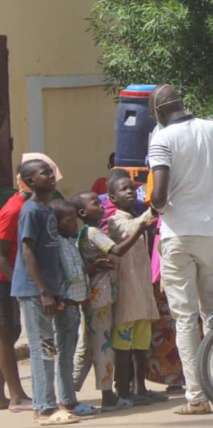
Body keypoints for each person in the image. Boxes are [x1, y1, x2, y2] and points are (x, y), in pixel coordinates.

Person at [147, 84, 213, 415]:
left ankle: (196, 397)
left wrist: (153, 206)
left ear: (158, 113)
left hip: (178, 235)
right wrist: (212, 187)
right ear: (182, 104)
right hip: (212, 236)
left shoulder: (162, 139)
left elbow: (160, 196)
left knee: (184, 318)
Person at [10, 160, 77, 426]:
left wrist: (55, 290)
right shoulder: (30, 211)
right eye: (44, 173)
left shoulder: (48, 210)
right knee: (42, 348)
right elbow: (28, 252)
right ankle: (44, 408)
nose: (51, 175)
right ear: (30, 180)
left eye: (51, 171)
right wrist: (43, 291)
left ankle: (49, 403)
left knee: (49, 348)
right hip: (33, 291)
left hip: (48, 290)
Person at [70, 191, 137, 412]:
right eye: (95, 203)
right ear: (82, 212)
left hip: (94, 294)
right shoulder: (93, 232)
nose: (101, 206)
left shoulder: (82, 233)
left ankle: (70, 390)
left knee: (89, 344)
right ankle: (108, 396)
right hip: (101, 295)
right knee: (103, 344)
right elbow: (116, 250)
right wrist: (140, 229)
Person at [107, 177, 163, 405]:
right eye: (124, 189)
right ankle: (123, 389)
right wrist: (153, 209)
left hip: (141, 289)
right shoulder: (115, 222)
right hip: (127, 293)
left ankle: (140, 387)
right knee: (123, 345)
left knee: (141, 344)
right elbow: (133, 228)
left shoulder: (134, 218)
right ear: (113, 198)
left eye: (132, 188)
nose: (130, 192)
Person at [47, 200, 98, 418]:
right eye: (68, 221)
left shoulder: (69, 242)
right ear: (57, 224)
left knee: (68, 352)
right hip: (66, 306)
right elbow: (73, 274)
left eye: (74, 219)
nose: (73, 224)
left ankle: (69, 398)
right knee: (66, 354)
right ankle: (68, 401)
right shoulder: (59, 244)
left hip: (74, 305)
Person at [0, 165, 34, 413]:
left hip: (9, 280)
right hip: (4, 281)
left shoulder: (25, 207)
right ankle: (16, 395)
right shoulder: (14, 209)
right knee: (4, 336)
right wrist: (17, 285)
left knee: (11, 333)